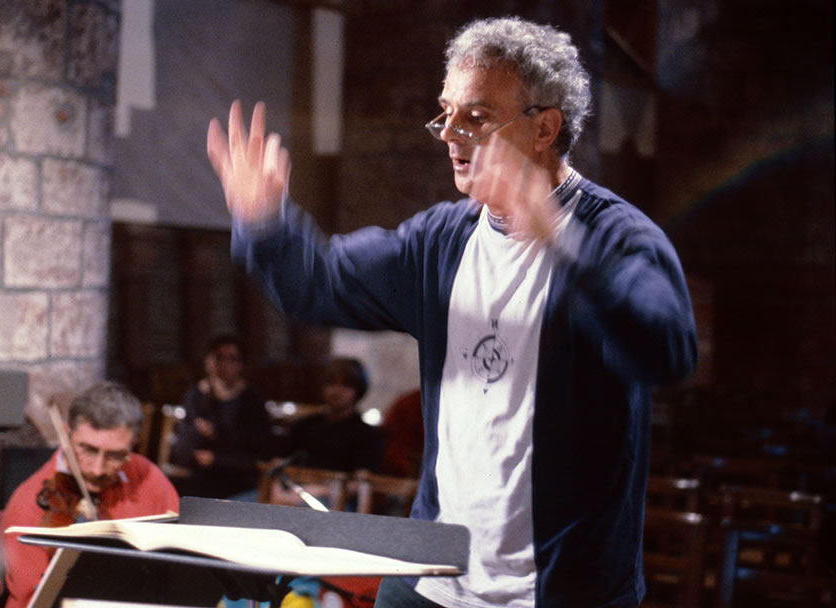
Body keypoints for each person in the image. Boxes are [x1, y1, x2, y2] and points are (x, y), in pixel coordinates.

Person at [206, 15, 697, 608]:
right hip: (432, 578)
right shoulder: (440, 241)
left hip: (561, 588)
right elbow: (320, 283)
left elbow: (667, 350)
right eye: (447, 113)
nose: (450, 134)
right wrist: (265, 224)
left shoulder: (617, 237)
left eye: (478, 117)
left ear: (545, 128)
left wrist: (562, 249)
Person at [0, 381, 179, 608]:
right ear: (67, 434)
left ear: (133, 445)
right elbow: (34, 600)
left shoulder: (149, 480)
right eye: (88, 449)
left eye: (115, 455)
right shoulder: (30, 504)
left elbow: (177, 567)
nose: (97, 469)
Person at [169, 335, 273, 500]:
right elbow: (181, 451)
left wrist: (217, 459)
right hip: (200, 479)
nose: (224, 365)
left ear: (241, 365)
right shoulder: (196, 396)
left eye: (232, 359)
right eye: (218, 358)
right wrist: (196, 432)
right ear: (208, 362)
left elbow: (261, 454)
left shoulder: (251, 400)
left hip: (238, 481)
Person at [286, 357, 382, 474]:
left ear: (358, 391)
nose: (337, 391)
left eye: (345, 385)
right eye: (331, 383)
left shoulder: (367, 436)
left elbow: (362, 479)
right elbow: (282, 464)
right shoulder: (304, 427)